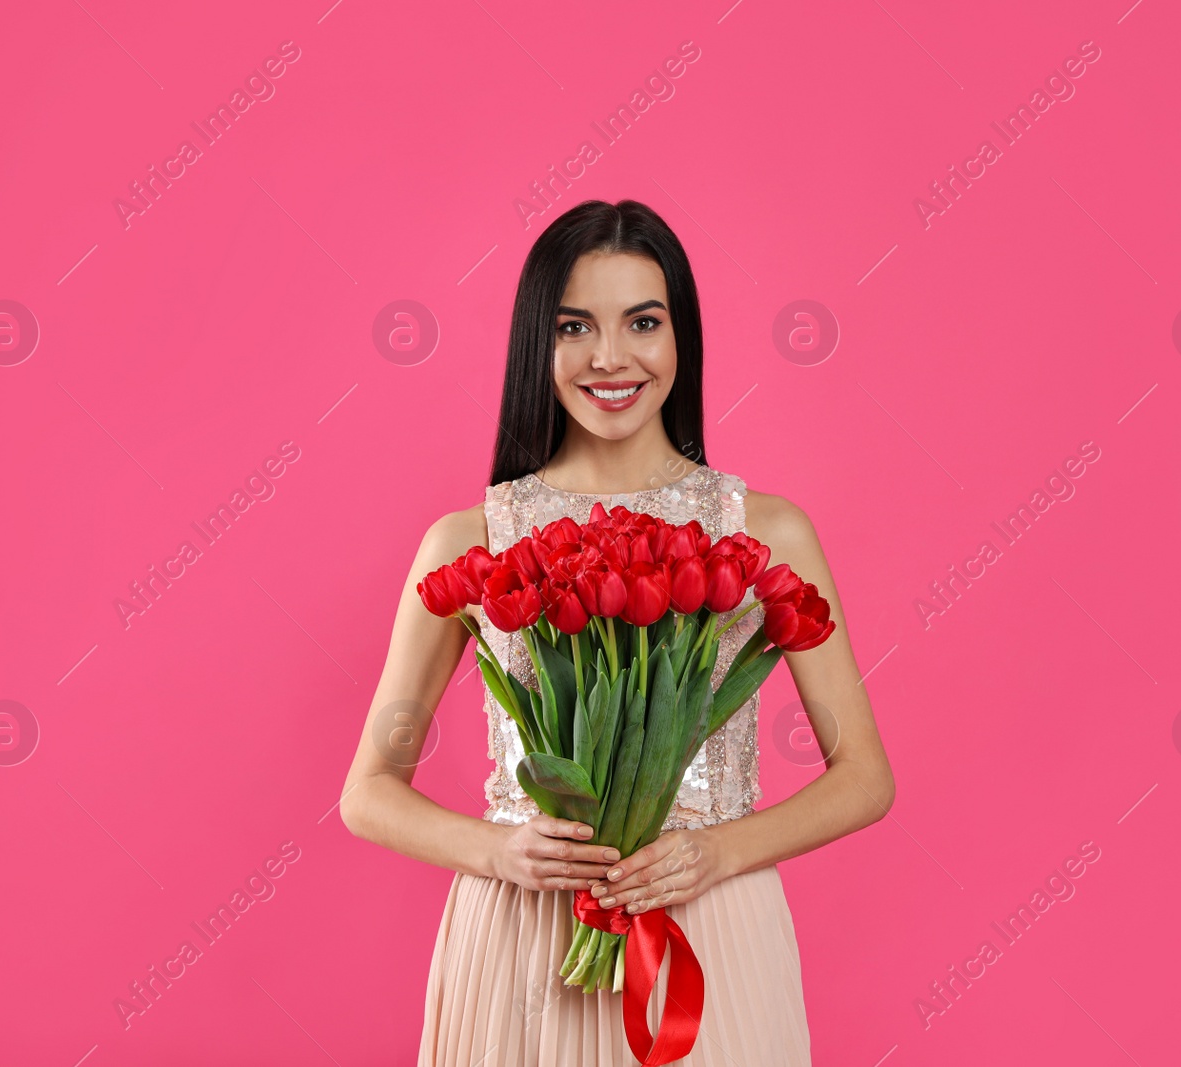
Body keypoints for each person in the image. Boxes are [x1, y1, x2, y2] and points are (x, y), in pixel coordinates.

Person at [341, 199, 895, 1065]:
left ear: (684, 338)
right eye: (574, 327)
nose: (611, 357)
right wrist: (500, 850)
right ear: (537, 343)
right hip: (525, 935)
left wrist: (714, 854)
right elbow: (367, 790)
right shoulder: (471, 542)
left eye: (643, 321)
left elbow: (865, 775)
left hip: (711, 923)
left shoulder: (764, 534)